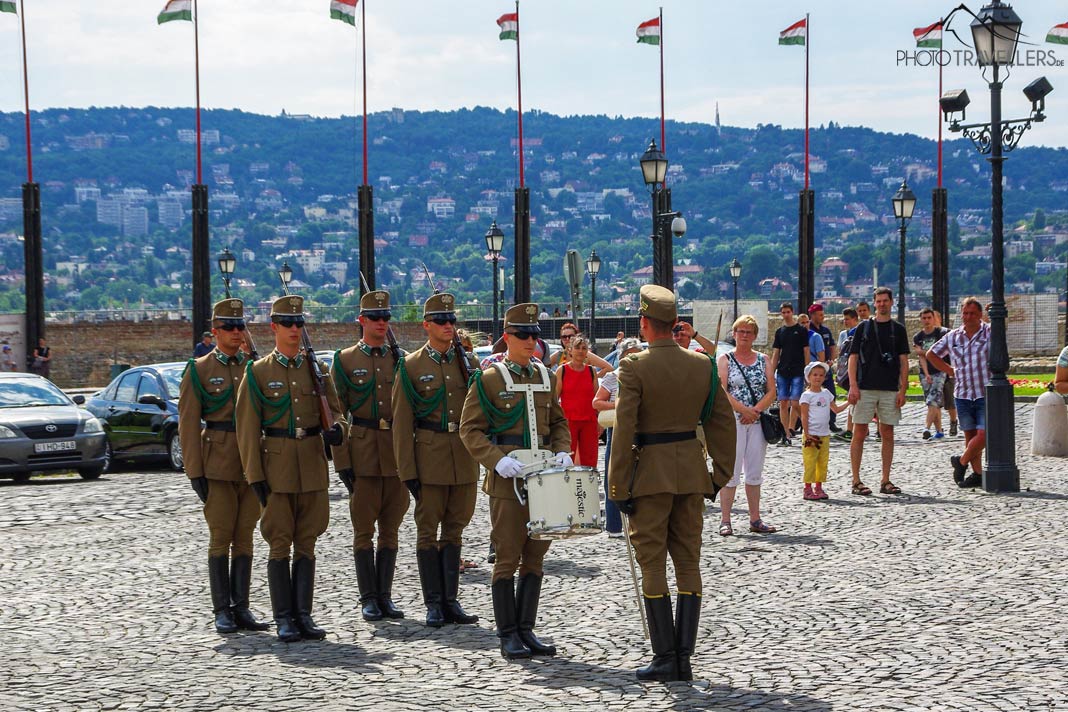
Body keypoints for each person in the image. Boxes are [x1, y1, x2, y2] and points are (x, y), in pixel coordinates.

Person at [608, 284, 735, 683]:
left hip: (649, 477)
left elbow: (625, 429)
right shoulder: (702, 365)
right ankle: (684, 656)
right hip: (692, 475)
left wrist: (618, 488)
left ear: (645, 324)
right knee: (688, 561)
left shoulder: (633, 366)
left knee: (651, 562)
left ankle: (665, 655)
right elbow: (721, 422)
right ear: (674, 324)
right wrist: (719, 475)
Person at [459, 303, 571, 660]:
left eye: (535, 335)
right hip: (508, 483)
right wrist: (496, 460)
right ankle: (507, 633)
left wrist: (564, 450)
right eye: (523, 335)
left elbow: (558, 422)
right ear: (507, 337)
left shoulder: (546, 375)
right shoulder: (489, 378)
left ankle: (526, 628)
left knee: (536, 558)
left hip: (544, 479)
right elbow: (470, 429)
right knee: (507, 557)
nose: (530, 341)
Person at [234, 295, 347, 642]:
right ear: (274, 328)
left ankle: (304, 615)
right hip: (278, 467)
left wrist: (337, 431)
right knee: (280, 542)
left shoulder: (316, 370)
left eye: (299, 324)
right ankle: (284, 616)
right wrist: (255, 476)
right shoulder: (258, 372)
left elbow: (338, 413)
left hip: (311, 465)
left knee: (308, 541)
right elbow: (247, 429)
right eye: (287, 324)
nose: (294, 330)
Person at [178, 298, 270, 635]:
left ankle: (241, 606)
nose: (235, 333)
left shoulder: (255, 366)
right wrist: (195, 471)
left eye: (240, 327)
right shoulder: (199, 369)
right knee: (221, 536)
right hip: (217, 461)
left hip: (252, 461)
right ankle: (222, 609)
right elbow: (187, 425)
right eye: (229, 328)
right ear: (215, 332)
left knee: (245, 535)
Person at [392, 292, 481, 628]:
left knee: (455, 530)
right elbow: (402, 423)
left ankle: (451, 600)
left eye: (452, 321)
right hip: (428, 457)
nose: (449, 326)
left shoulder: (468, 364)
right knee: (428, 531)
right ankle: (433, 603)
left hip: (462, 455)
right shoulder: (412, 365)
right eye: (441, 322)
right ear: (426, 325)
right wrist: (407, 470)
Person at [330, 290, 409, 622]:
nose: (381, 323)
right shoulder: (345, 360)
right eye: (375, 318)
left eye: (386, 318)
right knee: (364, 529)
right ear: (361, 321)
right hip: (362, 450)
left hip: (395, 452)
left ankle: (385, 596)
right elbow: (336, 412)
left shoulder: (400, 358)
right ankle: (368, 597)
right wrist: (343, 462)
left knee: (391, 528)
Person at [716, 315, 777, 535]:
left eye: (748, 332)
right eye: (740, 331)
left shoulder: (763, 359)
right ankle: (725, 520)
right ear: (734, 334)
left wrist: (756, 411)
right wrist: (743, 410)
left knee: (754, 471)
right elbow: (722, 391)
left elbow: (772, 391)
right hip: (734, 420)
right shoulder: (725, 360)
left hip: (758, 419)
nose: (744, 335)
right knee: (731, 472)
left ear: (754, 336)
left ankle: (755, 518)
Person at [846, 287, 910, 496]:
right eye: (879, 301)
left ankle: (885, 479)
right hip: (865, 387)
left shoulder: (898, 330)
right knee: (859, 432)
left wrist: (903, 388)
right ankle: (855, 480)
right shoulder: (863, 328)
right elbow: (853, 357)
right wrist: (853, 385)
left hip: (889, 387)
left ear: (891, 302)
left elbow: (903, 360)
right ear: (874, 303)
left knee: (888, 433)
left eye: (885, 301)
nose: (882, 304)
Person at [926, 297, 990, 489]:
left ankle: (961, 462)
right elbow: (931, 354)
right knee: (970, 436)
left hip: (984, 392)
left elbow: (1002, 340)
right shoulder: (953, 336)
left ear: (980, 315)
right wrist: (949, 370)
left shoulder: (988, 332)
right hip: (963, 392)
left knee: (985, 433)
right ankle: (977, 474)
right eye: (965, 313)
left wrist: (995, 318)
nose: (968, 317)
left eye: (972, 313)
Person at [593, 337, 642, 538]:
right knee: (613, 475)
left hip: (641, 429)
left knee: (639, 477)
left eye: (638, 354)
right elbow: (597, 402)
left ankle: (638, 523)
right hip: (618, 429)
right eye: (631, 354)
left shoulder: (647, 375)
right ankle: (614, 525)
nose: (635, 358)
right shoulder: (613, 376)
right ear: (622, 357)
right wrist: (620, 406)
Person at [799, 362, 849, 501]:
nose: (818, 378)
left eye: (821, 375)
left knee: (822, 461)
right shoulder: (806, 396)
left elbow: (836, 409)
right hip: (812, 434)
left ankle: (819, 486)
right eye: (815, 375)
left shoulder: (826, 393)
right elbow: (804, 415)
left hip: (824, 434)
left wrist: (848, 402)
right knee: (810, 461)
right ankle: (808, 487)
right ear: (808, 377)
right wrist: (806, 431)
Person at [556, 335, 600, 467]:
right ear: (570, 350)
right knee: (567, 459)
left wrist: (600, 421)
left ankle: (590, 486)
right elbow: (555, 398)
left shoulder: (591, 371)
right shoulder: (562, 370)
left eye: (584, 348)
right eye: (577, 348)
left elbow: (597, 397)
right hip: (568, 422)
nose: (580, 351)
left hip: (589, 421)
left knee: (590, 460)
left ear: (587, 351)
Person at [770, 302, 810, 446]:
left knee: (795, 401)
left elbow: (806, 350)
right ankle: (785, 433)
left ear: (792, 312)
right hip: (783, 371)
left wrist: (807, 370)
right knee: (783, 402)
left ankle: (808, 427)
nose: (786, 314)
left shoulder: (801, 330)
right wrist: (771, 371)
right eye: (783, 312)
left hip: (798, 371)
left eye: (788, 312)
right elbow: (776, 353)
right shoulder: (780, 332)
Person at [913, 308, 950, 440]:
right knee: (933, 403)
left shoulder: (941, 334)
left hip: (940, 370)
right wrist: (926, 373)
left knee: (932, 400)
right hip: (926, 372)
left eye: (929, 317)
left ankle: (926, 428)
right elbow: (921, 358)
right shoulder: (918, 337)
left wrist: (922, 351)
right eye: (924, 318)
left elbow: (938, 353)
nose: (927, 321)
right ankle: (939, 430)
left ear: (934, 318)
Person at [808, 304, 839, 432]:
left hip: (825, 368)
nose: (822, 317)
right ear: (813, 315)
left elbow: (832, 346)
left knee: (831, 394)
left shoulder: (825, 331)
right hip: (813, 368)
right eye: (820, 314)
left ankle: (831, 421)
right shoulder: (808, 330)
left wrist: (831, 360)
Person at [833, 307, 860, 441]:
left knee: (856, 400)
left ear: (855, 319)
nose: (845, 322)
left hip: (857, 371)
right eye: (844, 319)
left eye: (847, 319)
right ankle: (851, 429)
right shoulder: (846, 334)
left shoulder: (857, 333)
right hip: (849, 370)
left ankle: (852, 429)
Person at [934, 310, 959, 437]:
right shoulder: (924, 335)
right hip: (934, 372)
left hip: (947, 370)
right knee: (935, 402)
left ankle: (953, 422)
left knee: (950, 401)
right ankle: (938, 429)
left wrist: (950, 369)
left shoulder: (947, 333)